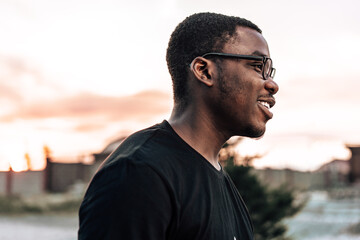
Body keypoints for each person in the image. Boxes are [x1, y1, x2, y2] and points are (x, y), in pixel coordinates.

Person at [78, 12, 279, 240]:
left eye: (269, 71)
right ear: (204, 71)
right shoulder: (139, 173)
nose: (272, 84)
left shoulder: (222, 184)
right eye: (256, 65)